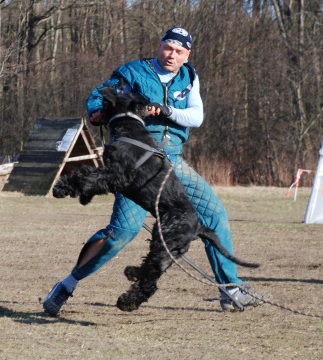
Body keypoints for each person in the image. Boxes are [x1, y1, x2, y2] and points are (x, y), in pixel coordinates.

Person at [43, 26, 260, 316]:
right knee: (122, 232)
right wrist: (97, 112)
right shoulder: (133, 72)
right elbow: (100, 95)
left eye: (179, 51)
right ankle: (66, 285)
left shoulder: (189, 77)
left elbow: (196, 117)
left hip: (172, 160)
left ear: (187, 55)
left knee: (213, 214)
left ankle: (231, 290)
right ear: (160, 47)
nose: (172, 55)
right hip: (135, 161)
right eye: (168, 48)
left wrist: (168, 111)